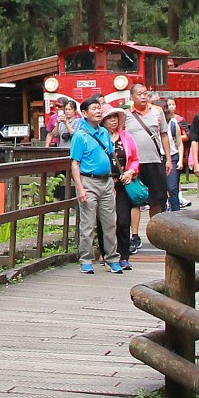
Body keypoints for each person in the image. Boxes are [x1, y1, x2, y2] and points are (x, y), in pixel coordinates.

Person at [70, 98, 125, 273]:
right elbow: (75, 163)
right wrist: (79, 187)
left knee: (110, 222)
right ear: (84, 113)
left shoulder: (104, 133)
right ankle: (86, 259)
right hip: (88, 181)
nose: (98, 111)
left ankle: (112, 258)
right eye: (94, 109)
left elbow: (109, 156)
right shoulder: (80, 135)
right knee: (88, 223)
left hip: (106, 181)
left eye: (99, 108)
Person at [124, 83, 171, 249]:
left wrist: (169, 158)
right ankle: (135, 235)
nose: (143, 96)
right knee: (135, 200)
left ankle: (155, 233)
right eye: (139, 94)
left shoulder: (157, 112)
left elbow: (164, 135)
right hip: (134, 164)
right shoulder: (126, 115)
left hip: (155, 160)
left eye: (145, 93)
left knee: (157, 200)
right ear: (131, 97)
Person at [102, 94, 143, 261]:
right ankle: (107, 253)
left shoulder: (126, 137)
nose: (113, 121)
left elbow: (135, 159)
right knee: (106, 221)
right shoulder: (99, 138)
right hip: (105, 183)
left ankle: (124, 255)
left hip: (124, 182)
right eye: (109, 118)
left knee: (123, 219)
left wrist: (131, 172)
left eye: (115, 118)